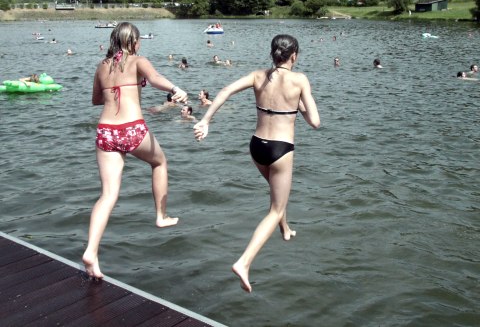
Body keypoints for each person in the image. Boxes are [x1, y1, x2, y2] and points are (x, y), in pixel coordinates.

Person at [193, 34, 320, 293]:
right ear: (294, 56)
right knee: (275, 207)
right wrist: (299, 106)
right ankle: (244, 262)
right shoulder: (299, 80)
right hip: (281, 150)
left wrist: (206, 120)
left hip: (257, 147)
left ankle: (285, 229)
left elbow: (226, 90)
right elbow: (315, 122)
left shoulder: (257, 76)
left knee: (277, 199)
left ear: (273, 54)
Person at [82, 22, 188, 279]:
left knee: (107, 195)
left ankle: (91, 251)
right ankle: (161, 216)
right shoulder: (138, 61)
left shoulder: (102, 66)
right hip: (131, 129)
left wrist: (115, 90)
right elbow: (155, 79)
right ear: (134, 42)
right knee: (159, 163)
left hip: (106, 131)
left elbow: (96, 99)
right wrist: (176, 89)